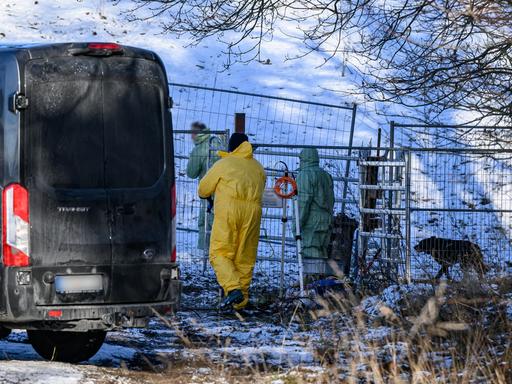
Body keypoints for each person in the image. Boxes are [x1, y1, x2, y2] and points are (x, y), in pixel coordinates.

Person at [198, 133, 266, 310]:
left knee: (219, 252)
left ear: (232, 147)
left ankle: (233, 288)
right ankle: (239, 303)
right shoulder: (258, 167)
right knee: (244, 257)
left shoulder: (224, 164)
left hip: (229, 211)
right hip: (253, 213)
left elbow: (203, 188)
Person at [186, 122, 222, 250]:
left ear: (197, 133)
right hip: (224, 191)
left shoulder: (200, 149)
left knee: (206, 221)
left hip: (208, 192)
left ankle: (207, 254)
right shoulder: (218, 142)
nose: (191, 136)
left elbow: (191, 172)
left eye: (192, 133)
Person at [296, 148, 335, 259]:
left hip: (312, 221)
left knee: (310, 253)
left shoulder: (304, 175)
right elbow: (331, 200)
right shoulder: (326, 175)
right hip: (326, 219)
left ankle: (312, 276)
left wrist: (297, 225)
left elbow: (303, 203)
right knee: (322, 252)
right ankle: (320, 276)